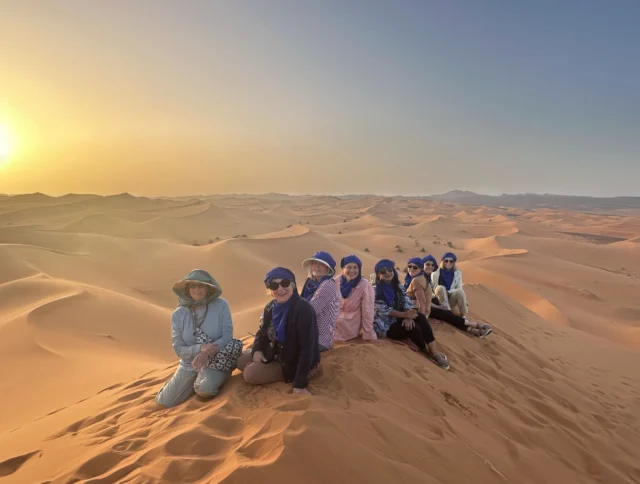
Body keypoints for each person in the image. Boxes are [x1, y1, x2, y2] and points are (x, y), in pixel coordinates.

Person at [156, 269, 235, 408]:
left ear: (208, 288)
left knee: (204, 389)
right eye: (193, 286)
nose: (197, 289)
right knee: (164, 402)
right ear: (187, 289)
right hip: (189, 364)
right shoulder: (178, 315)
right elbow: (178, 348)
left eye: (201, 286)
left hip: (216, 360)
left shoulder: (221, 305)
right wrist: (199, 349)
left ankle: (221, 375)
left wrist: (206, 352)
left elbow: (227, 336)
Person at [237, 267, 320, 395]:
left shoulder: (304, 310)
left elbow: (307, 348)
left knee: (250, 374)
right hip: (275, 352)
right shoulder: (271, 306)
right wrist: (257, 350)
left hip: (293, 362)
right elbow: (262, 332)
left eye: (285, 283)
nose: (280, 289)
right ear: (270, 290)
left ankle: (291, 373)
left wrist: (299, 384)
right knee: (240, 360)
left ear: (293, 284)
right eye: (274, 285)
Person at [373, 259, 450, 370]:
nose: (387, 273)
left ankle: (435, 353)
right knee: (413, 328)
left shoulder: (398, 287)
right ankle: (425, 350)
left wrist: (408, 316)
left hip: (402, 317)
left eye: (390, 269)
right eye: (383, 270)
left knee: (421, 317)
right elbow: (385, 311)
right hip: (386, 325)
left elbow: (407, 302)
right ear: (378, 274)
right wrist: (406, 315)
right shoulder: (375, 291)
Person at [423, 255, 492, 338]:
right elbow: (421, 298)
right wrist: (436, 305)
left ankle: (474, 330)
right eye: (427, 264)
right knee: (447, 315)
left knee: (448, 316)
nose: (430, 267)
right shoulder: (420, 278)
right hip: (424, 306)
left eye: (432, 265)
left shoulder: (430, 277)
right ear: (422, 265)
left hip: (433, 302)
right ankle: (475, 325)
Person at [300, 251, 340, 351]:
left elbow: (310, 310)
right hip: (306, 333)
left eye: (321, 264)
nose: (316, 267)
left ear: (328, 268)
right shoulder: (310, 283)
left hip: (319, 339)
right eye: (314, 263)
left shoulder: (327, 285)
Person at [334, 255, 377, 341]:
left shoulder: (364, 285)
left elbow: (367, 311)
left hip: (349, 324)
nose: (352, 271)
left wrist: (368, 333)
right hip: (333, 321)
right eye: (348, 267)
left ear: (359, 269)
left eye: (355, 267)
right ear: (343, 268)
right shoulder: (337, 281)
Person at [431, 252, 468, 316]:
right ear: (443, 262)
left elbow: (459, 287)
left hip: (451, 299)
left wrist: (464, 299)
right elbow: (431, 288)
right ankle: (447, 311)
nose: (448, 263)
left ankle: (463, 315)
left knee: (460, 291)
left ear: (453, 263)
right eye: (446, 261)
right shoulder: (435, 274)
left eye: (451, 261)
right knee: (440, 287)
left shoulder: (458, 273)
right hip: (439, 299)